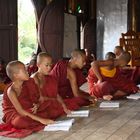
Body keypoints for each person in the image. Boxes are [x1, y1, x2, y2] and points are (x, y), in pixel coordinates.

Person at [2, 60, 54, 129]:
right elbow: (21, 111)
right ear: (16, 75)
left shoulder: (29, 83)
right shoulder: (11, 91)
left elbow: (37, 99)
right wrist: (41, 120)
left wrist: (37, 105)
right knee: (19, 121)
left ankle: (37, 120)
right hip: (16, 113)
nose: (27, 72)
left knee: (50, 106)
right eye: (25, 71)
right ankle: (39, 121)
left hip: (29, 109)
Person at [28, 52, 81, 118]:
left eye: (50, 65)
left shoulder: (50, 77)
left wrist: (64, 106)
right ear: (38, 65)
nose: (49, 68)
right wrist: (55, 100)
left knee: (74, 103)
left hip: (50, 102)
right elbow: (40, 98)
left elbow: (56, 94)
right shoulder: (34, 78)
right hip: (40, 105)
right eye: (46, 65)